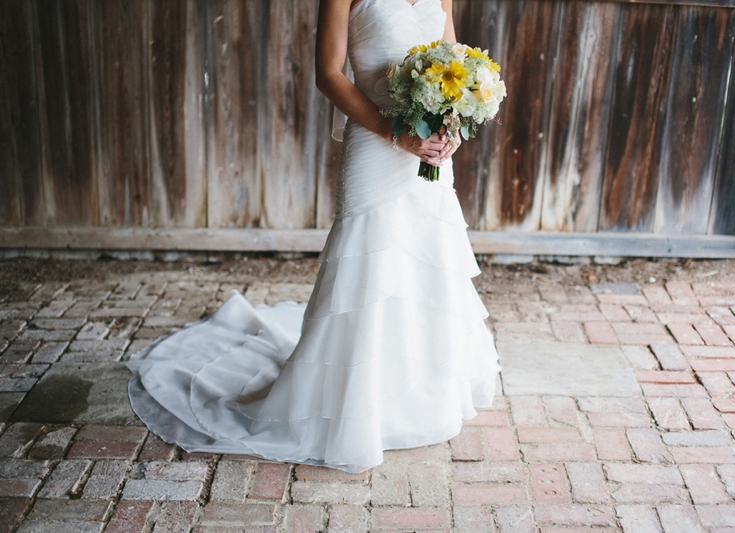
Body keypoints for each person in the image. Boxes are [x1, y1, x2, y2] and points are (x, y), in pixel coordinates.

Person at [126, 0, 500, 474]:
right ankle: (351, 407)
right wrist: (395, 132)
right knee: (366, 267)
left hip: (428, 151)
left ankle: (418, 398)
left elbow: (455, 61)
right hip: (377, 143)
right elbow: (328, 74)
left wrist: (452, 124)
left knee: (424, 258)